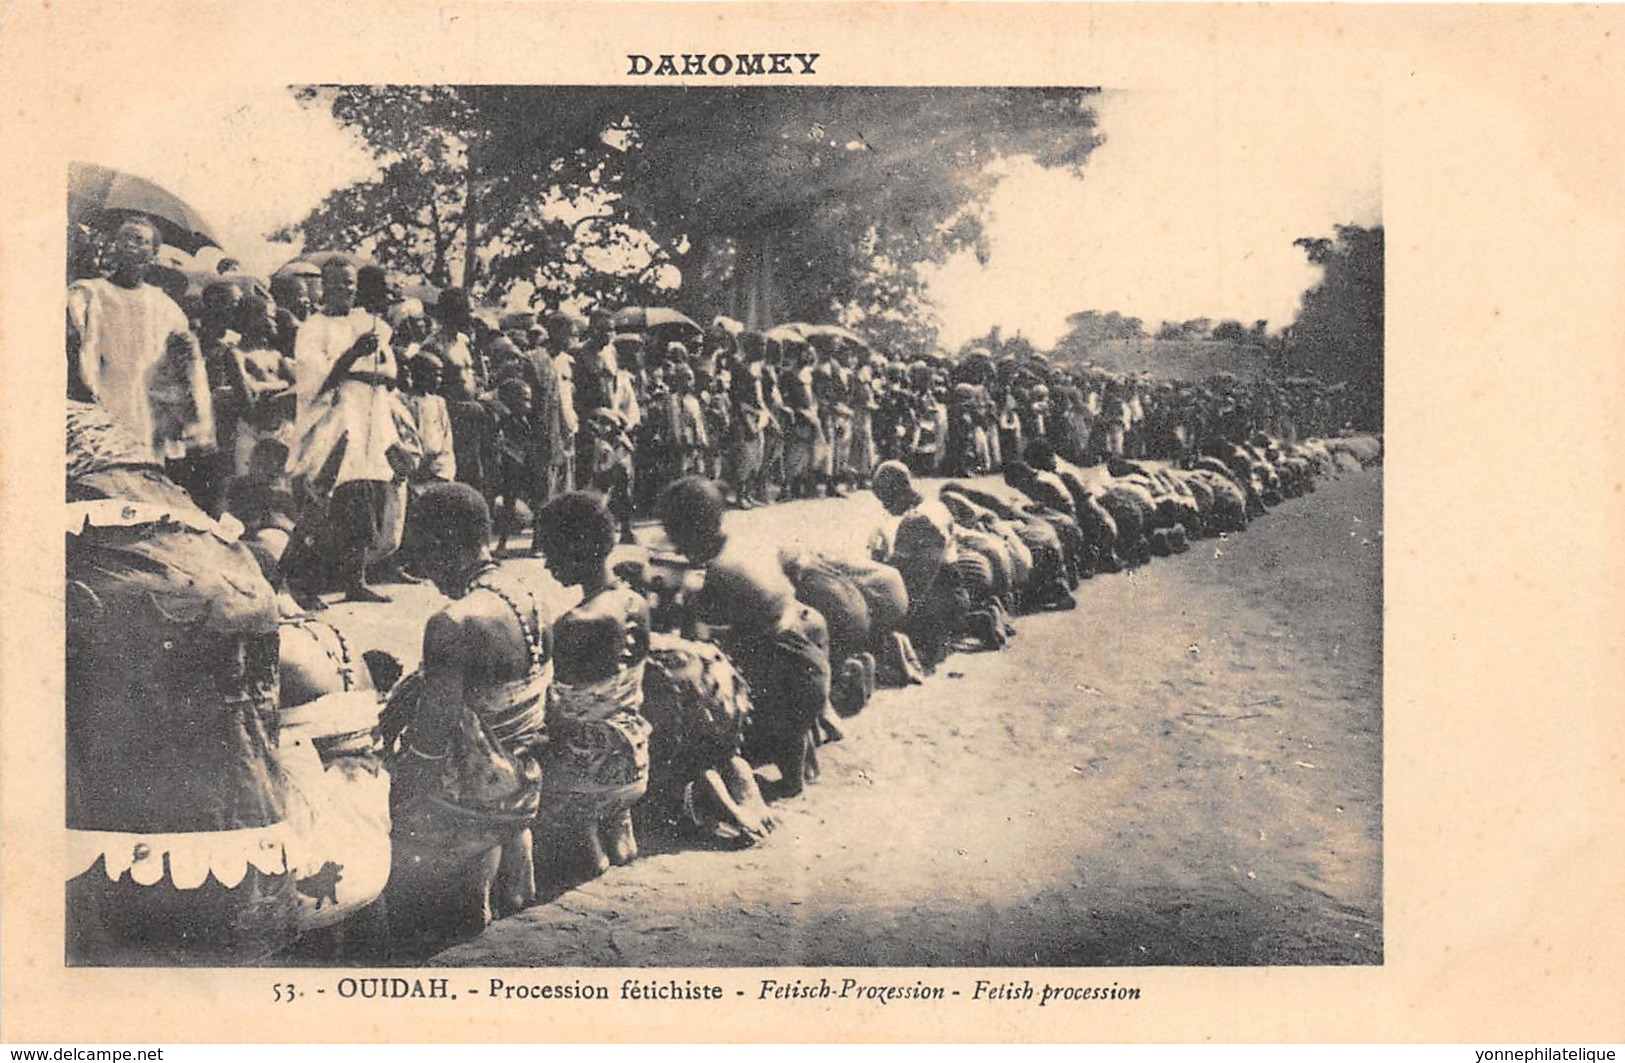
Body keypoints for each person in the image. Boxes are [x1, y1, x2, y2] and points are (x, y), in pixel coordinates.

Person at [379, 483, 550, 941]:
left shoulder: (453, 622)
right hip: (526, 781)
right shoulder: (530, 596)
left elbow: (430, 743)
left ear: (443, 547)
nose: (427, 574)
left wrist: (394, 796)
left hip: (475, 800)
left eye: (425, 557)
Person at [660, 476, 831, 797]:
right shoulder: (746, 546)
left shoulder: (721, 572)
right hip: (810, 661)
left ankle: (784, 767)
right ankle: (798, 763)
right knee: (778, 672)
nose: (679, 549)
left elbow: (701, 642)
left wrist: (677, 602)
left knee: (702, 692)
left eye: (679, 540)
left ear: (695, 532)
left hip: (786, 680)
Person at [532, 492, 655, 881]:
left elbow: (558, 712)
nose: (548, 563)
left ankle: (586, 845)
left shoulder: (576, 623)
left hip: (586, 777)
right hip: (634, 763)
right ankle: (617, 834)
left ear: (578, 547)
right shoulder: (635, 602)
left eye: (551, 551)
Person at [285, 257, 411, 606]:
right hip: (334, 421)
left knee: (366, 500)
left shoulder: (367, 323)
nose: (345, 291)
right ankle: (304, 585)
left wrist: (364, 364)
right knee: (325, 505)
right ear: (323, 287)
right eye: (337, 285)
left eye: (350, 285)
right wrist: (353, 355)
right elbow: (315, 381)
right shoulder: (313, 327)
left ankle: (356, 581)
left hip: (369, 420)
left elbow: (390, 373)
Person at [67, 217, 213, 469]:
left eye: (139, 240)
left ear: (154, 253)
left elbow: (185, 366)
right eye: (123, 237)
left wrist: (191, 419)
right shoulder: (89, 292)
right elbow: (76, 344)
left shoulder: (167, 307)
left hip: (148, 410)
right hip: (102, 403)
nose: (128, 244)